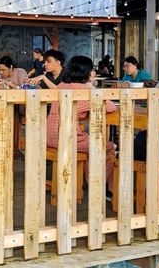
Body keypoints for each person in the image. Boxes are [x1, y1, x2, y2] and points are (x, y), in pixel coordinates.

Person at [46, 55, 116, 186]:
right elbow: (111, 107)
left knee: (91, 143)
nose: (94, 72)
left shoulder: (62, 85)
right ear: (85, 72)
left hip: (49, 137)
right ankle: (104, 185)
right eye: (92, 69)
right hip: (67, 139)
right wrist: (91, 88)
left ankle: (87, 181)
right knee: (108, 146)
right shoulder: (84, 90)